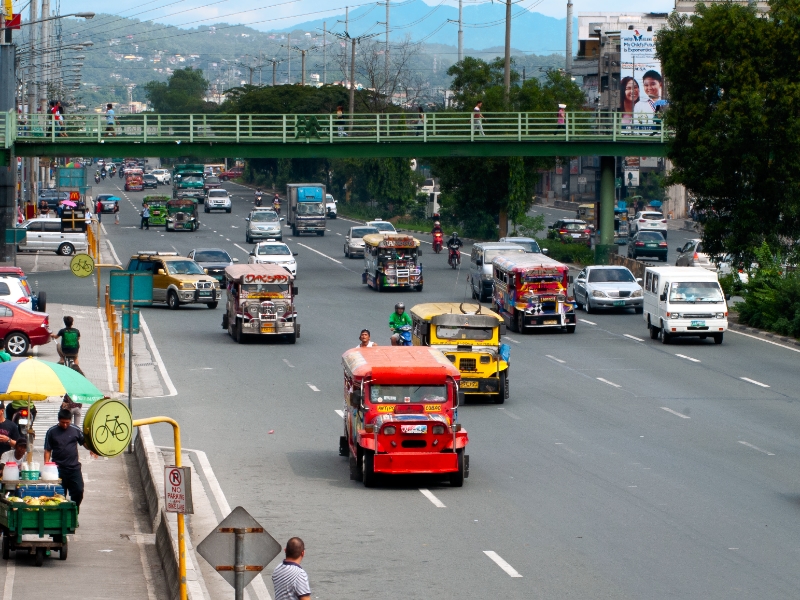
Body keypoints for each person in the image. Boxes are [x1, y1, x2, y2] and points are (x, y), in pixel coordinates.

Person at [44, 409, 95, 508]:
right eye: (62, 422)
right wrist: (46, 465)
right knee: (58, 496)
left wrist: (92, 448)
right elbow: (47, 450)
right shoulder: (51, 432)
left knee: (79, 491)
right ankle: (62, 518)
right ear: (59, 420)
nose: (65, 425)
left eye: (67, 422)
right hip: (58, 470)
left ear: (70, 420)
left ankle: (74, 512)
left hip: (74, 469)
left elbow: (84, 442)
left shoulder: (75, 429)